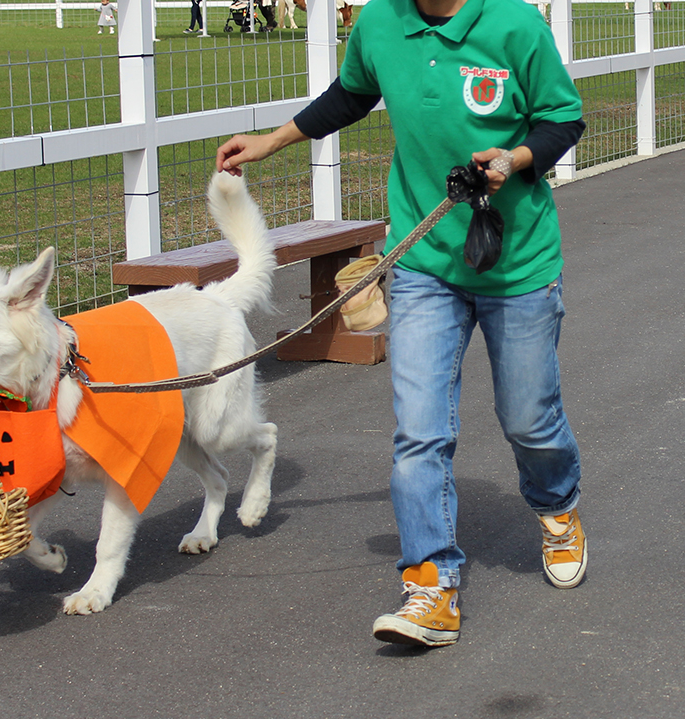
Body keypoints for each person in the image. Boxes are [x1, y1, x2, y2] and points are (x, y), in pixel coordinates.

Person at [217, 0, 587, 648]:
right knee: (420, 430)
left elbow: (563, 117)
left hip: (518, 265)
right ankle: (430, 590)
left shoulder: (514, 23)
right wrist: (274, 140)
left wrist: (515, 158)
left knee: (529, 419)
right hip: (423, 264)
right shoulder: (381, 22)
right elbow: (352, 93)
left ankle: (556, 507)